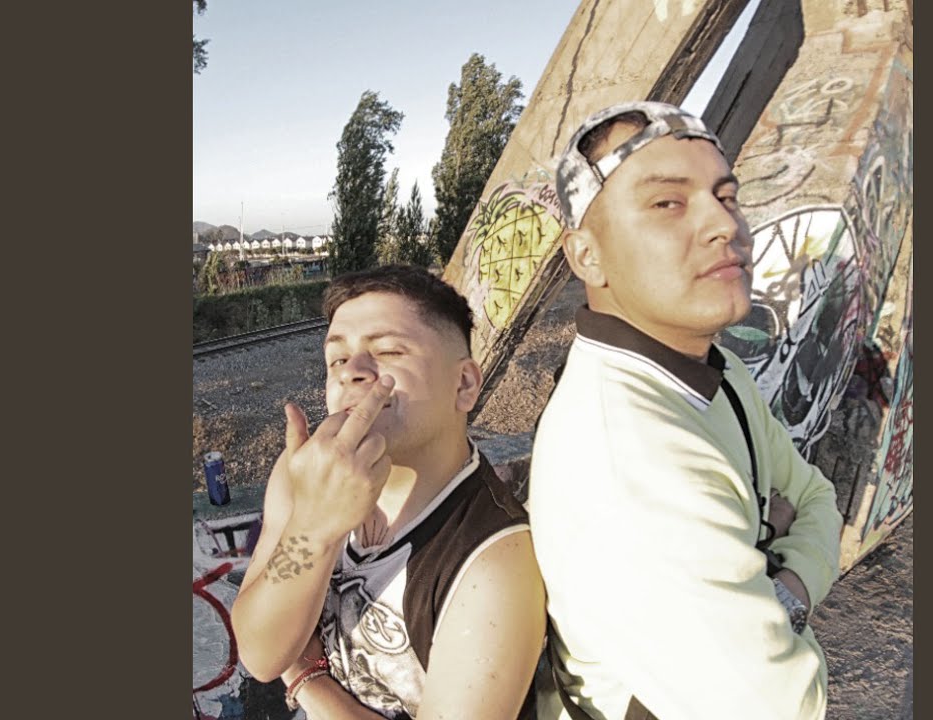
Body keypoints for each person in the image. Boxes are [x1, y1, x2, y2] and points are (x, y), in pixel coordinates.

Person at [528, 102, 843, 720]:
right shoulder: (630, 454)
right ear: (587, 255)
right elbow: (782, 705)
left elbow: (817, 498)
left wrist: (775, 591)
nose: (725, 225)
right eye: (668, 202)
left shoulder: (715, 372)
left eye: (727, 197)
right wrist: (775, 553)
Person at [231, 265, 546, 720]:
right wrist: (315, 528)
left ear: (464, 384)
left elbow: (285, 661)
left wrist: (308, 681)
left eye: (388, 351)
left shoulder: (493, 563)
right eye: (337, 359)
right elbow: (261, 655)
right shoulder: (305, 472)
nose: (352, 373)